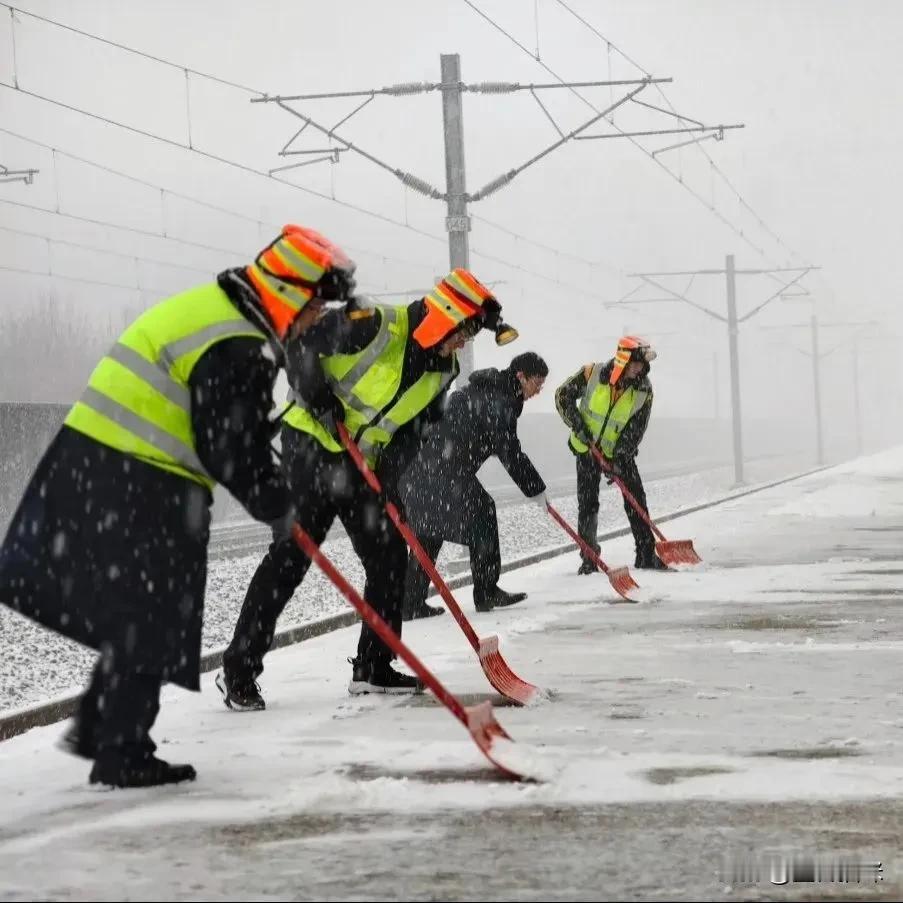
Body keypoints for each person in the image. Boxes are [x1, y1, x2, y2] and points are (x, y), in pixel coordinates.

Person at [0, 225, 355, 787]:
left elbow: (234, 429)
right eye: (318, 307)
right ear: (294, 295)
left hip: (98, 459)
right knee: (159, 611)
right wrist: (277, 506)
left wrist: (271, 488)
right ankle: (120, 750)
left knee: (145, 611)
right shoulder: (240, 342)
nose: (317, 321)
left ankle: (111, 736)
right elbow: (229, 444)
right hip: (140, 474)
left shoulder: (215, 312)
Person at [217, 269, 518, 707]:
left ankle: (372, 667)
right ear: (445, 318)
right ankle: (238, 670)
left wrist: (390, 482)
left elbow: (414, 432)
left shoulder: (442, 370)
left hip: (363, 465)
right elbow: (299, 344)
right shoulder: (375, 322)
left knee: (389, 559)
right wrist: (318, 396)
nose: (464, 343)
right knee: (292, 556)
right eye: (465, 332)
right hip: (313, 444)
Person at [399, 351, 548, 621]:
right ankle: (486, 590)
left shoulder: (492, 391)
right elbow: (509, 451)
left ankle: (410, 603)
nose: (537, 390)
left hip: (425, 467)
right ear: (520, 376)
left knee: (429, 532)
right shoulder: (499, 399)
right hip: (441, 468)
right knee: (483, 512)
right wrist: (535, 487)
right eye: (536, 383)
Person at [555, 335, 665, 572]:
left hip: (619, 454)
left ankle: (646, 555)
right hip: (587, 450)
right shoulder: (591, 374)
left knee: (636, 499)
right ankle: (589, 559)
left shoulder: (644, 390)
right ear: (624, 360)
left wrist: (617, 460)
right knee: (588, 505)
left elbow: (636, 429)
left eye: (643, 365)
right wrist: (578, 425)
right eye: (636, 364)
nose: (640, 369)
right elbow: (562, 396)